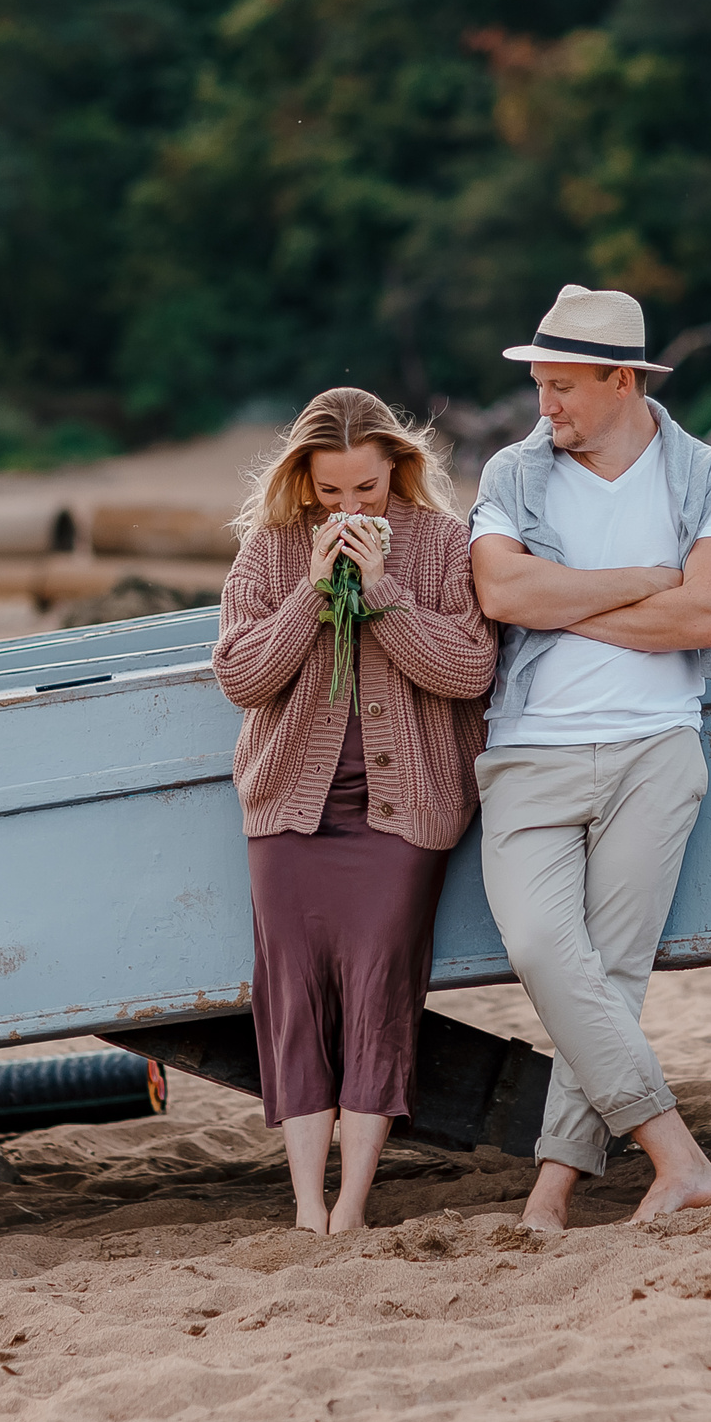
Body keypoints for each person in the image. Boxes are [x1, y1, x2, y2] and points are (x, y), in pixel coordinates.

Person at [468, 284, 711, 1230]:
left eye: (562, 387)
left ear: (621, 379)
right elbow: (505, 591)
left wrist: (570, 596)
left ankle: (551, 1194)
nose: (544, 408)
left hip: (654, 753)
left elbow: (705, 614)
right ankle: (677, 1157)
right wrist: (639, 584)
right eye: (539, 385)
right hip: (528, 757)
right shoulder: (513, 473)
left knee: (613, 972)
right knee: (547, 949)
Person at [211, 388, 499, 1233]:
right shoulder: (267, 551)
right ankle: (305, 1206)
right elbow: (240, 677)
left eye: (365, 491)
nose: (347, 508)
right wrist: (308, 593)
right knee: (292, 996)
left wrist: (380, 593)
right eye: (329, 492)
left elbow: (470, 669)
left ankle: (352, 1204)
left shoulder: (445, 544)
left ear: (395, 472)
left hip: (400, 812)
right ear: (304, 479)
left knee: (381, 989)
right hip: (287, 812)